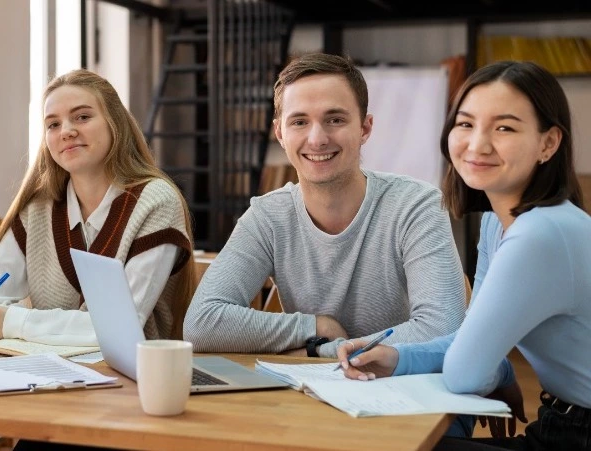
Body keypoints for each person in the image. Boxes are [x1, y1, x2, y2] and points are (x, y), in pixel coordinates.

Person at [336, 61, 591, 451]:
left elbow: (464, 373)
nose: (478, 144)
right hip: (561, 422)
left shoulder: (540, 234)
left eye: (504, 128)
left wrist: (496, 369)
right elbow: (469, 339)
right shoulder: (497, 222)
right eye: (466, 124)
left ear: (548, 143)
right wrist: (397, 357)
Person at [183, 52, 466, 359]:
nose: (317, 139)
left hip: (405, 386)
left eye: (335, 120)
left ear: (365, 128)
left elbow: (442, 328)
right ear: (280, 133)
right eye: (299, 122)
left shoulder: (416, 206)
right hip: (310, 388)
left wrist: (321, 351)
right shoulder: (268, 217)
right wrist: (314, 326)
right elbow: (201, 324)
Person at [0, 68, 195, 348]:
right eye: (53, 124)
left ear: (115, 123)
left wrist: (13, 321)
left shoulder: (157, 202)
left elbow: (119, 327)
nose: (66, 131)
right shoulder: (37, 208)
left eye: (82, 117)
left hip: (136, 373)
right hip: (48, 370)